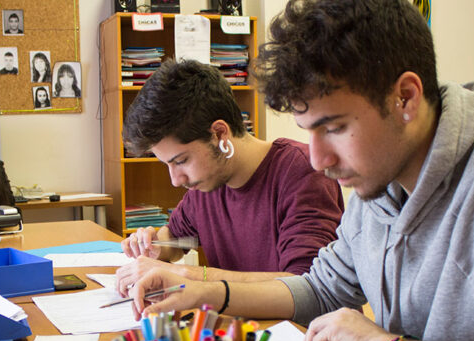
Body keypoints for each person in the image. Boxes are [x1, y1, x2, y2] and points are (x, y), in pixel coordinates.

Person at [129, 0, 474, 341]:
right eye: (308, 130)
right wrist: (208, 291)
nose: (317, 159)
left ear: (404, 97)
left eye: (334, 127)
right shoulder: (380, 180)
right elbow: (322, 288)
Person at [116, 59, 344, 295]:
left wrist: (189, 275)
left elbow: (306, 287)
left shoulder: (302, 172)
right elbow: (178, 238)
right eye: (167, 164)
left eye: (181, 161)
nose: (176, 180)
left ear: (219, 134)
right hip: (239, 326)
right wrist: (154, 246)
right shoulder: (207, 183)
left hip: (301, 330)